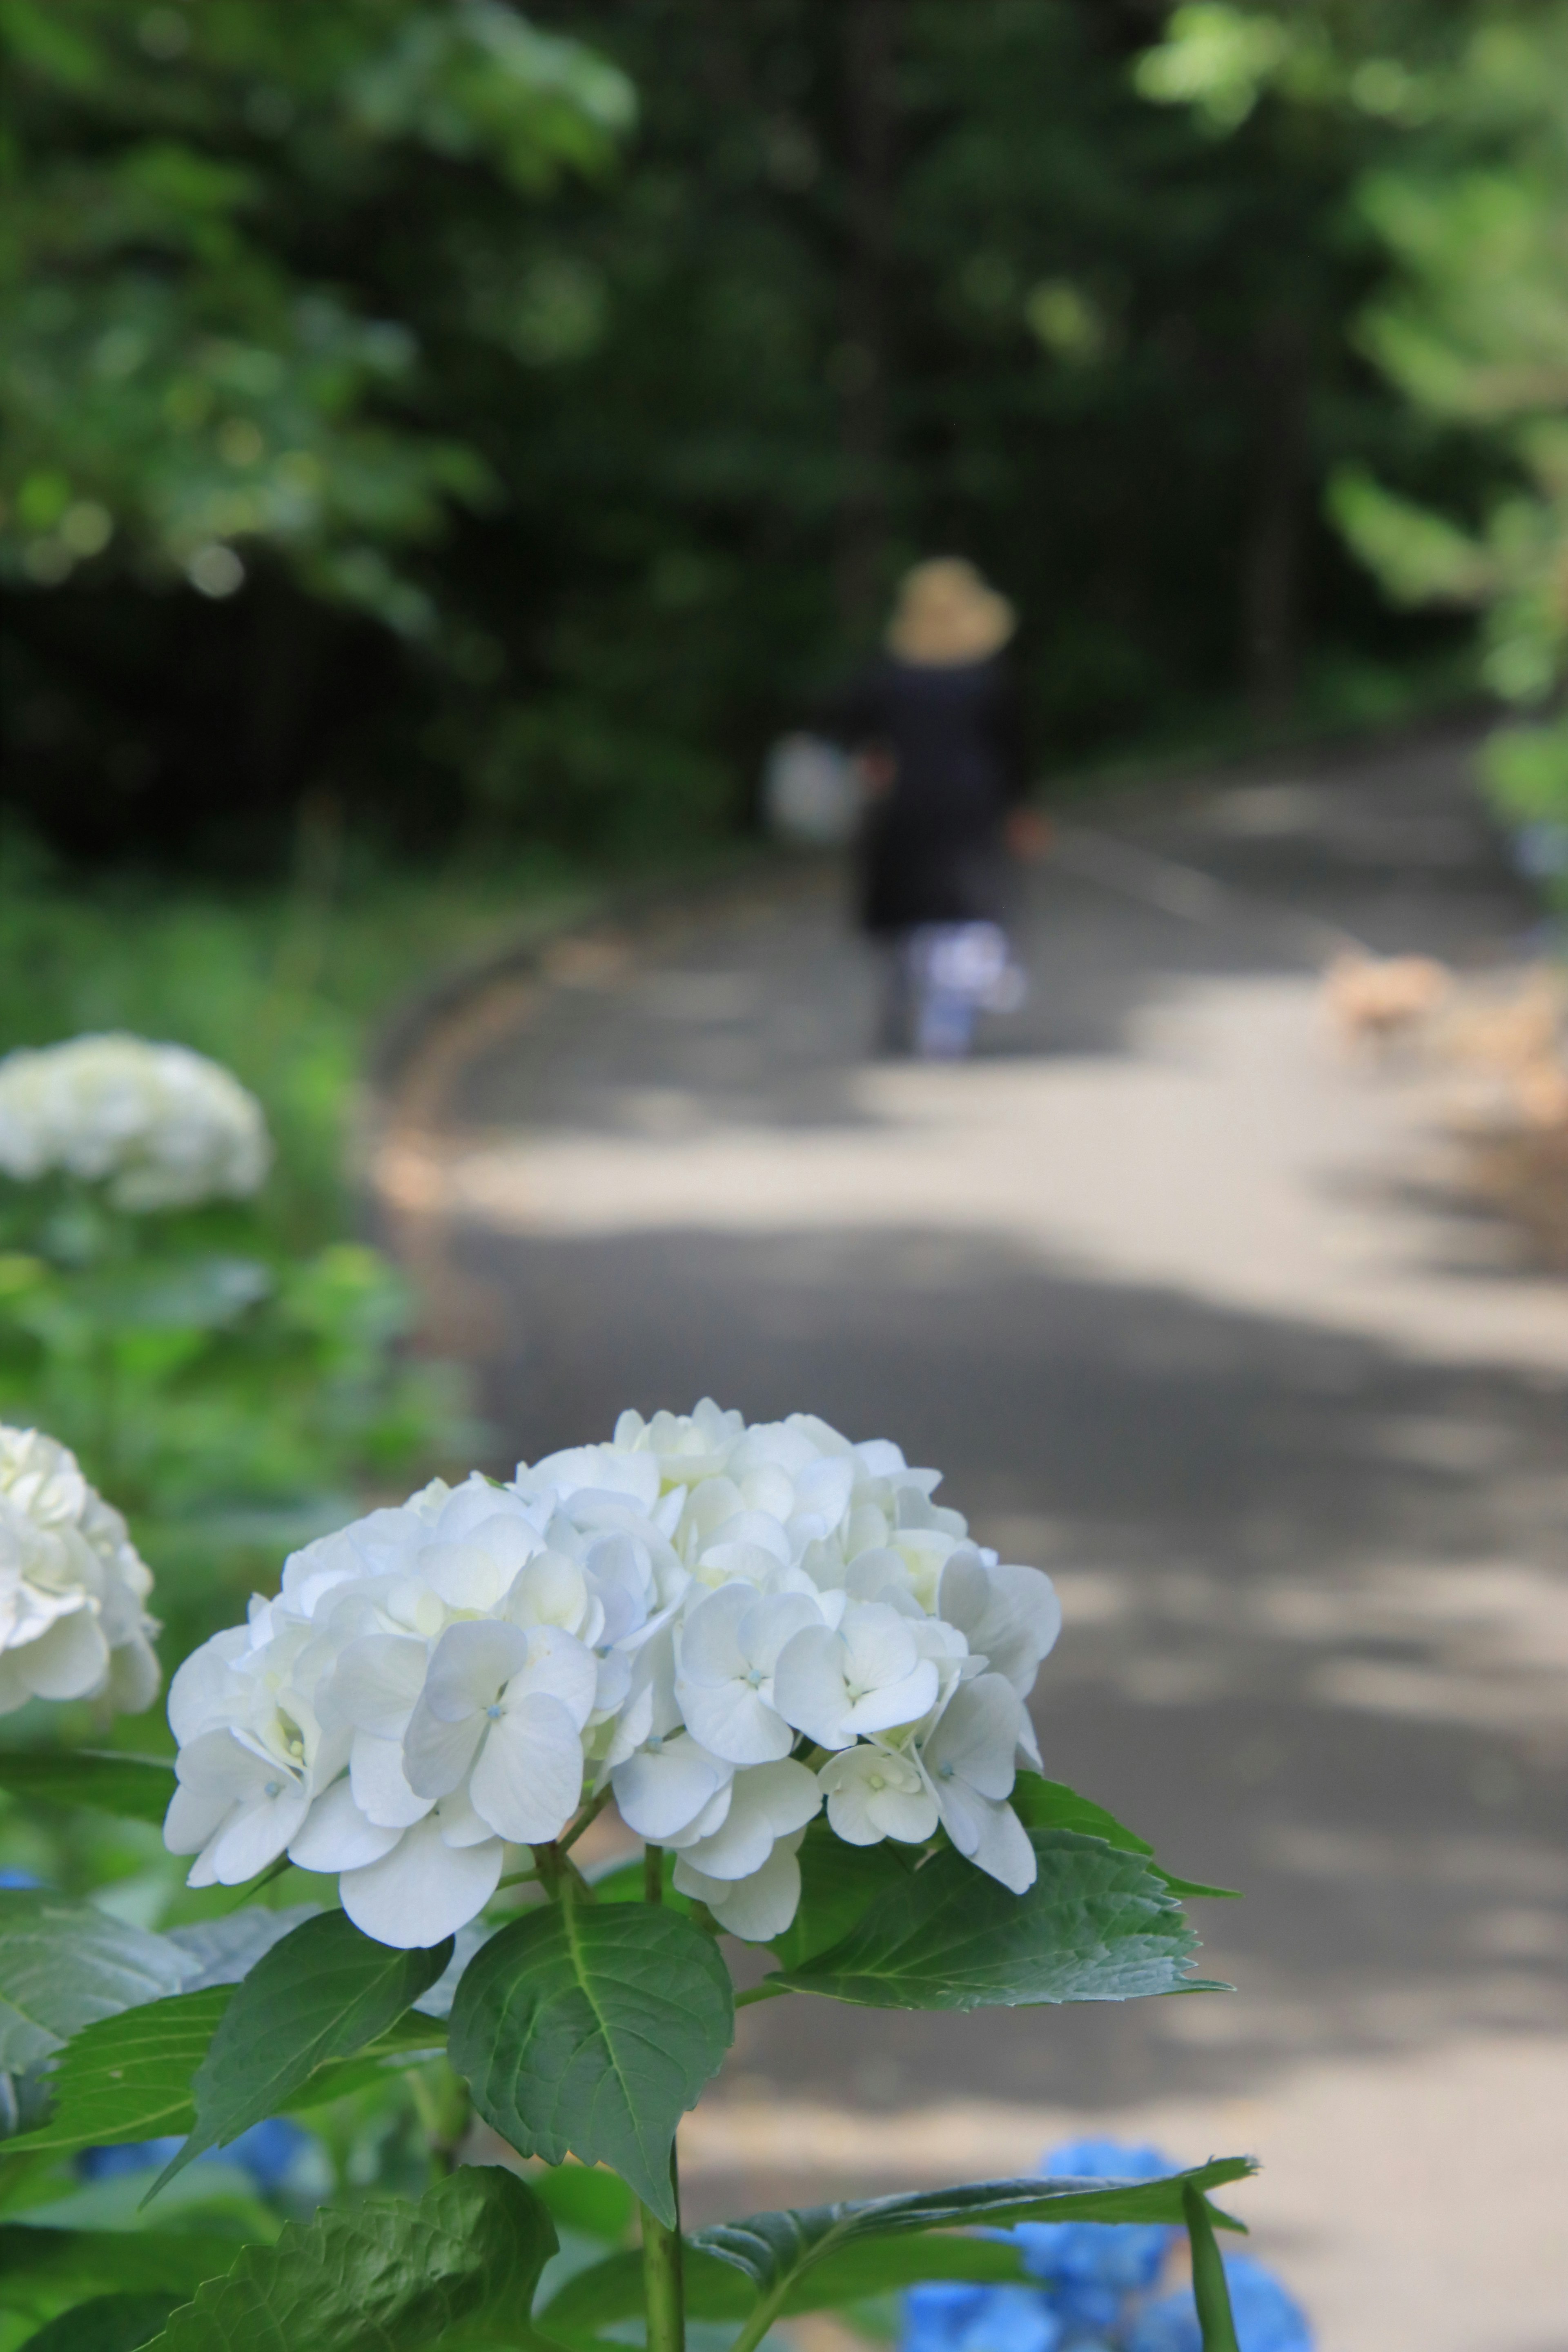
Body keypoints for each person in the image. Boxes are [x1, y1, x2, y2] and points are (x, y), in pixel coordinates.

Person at [821, 557, 1047, 1057]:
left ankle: (901, 1007)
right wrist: (1021, 811)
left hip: (903, 808)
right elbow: (1015, 754)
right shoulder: (989, 680)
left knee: (905, 915)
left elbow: (850, 735)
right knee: (967, 914)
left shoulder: (886, 679)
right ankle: (948, 1024)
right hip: (973, 808)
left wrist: (872, 763)